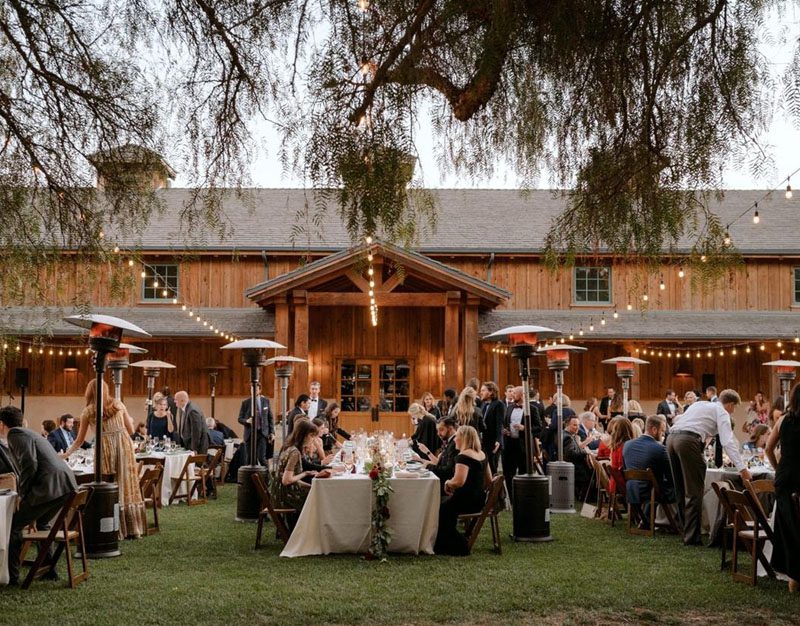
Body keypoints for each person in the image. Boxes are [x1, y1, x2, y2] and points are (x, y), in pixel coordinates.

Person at [1, 405, 78, 586]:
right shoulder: (29, 433)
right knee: (42, 522)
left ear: (2, 424)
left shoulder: (15, 435)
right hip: (65, 486)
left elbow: (29, 463)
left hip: (49, 488)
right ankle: (48, 568)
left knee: (13, 525)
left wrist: (22, 494)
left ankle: (12, 577)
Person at [63, 380, 146, 539]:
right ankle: (131, 528)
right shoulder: (118, 404)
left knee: (106, 484)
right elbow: (130, 429)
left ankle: (109, 525)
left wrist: (66, 455)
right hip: (124, 446)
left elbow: (79, 440)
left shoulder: (88, 411)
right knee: (126, 483)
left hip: (104, 449)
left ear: (89, 392)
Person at [667, 388, 751, 546]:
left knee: (680, 488)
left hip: (671, 439)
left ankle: (684, 531)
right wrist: (742, 469)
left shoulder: (699, 405)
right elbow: (728, 442)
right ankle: (691, 537)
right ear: (731, 405)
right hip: (687, 441)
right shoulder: (722, 412)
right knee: (694, 491)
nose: (733, 412)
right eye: (734, 408)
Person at [434, 425, 490, 556]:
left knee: (441, 510)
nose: (455, 440)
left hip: (466, 500)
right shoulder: (481, 454)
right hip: (479, 500)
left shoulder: (463, 457)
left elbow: (459, 481)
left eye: (457, 436)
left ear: (463, 438)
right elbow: (489, 480)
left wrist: (448, 482)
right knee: (445, 509)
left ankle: (458, 546)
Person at [765, 383, 800, 593]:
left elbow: (768, 448)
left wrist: (778, 468)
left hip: (786, 477)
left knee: (790, 528)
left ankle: (793, 579)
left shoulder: (783, 420)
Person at [270, 419, 326, 526]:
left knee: (316, 493)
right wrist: (305, 474)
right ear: (304, 435)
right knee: (318, 500)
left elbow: (291, 479)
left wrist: (310, 486)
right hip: (285, 496)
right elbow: (286, 480)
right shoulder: (295, 453)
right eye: (312, 436)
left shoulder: (289, 447)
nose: (313, 439)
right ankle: (307, 531)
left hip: (281, 492)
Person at [623, 415, 675, 526]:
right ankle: (677, 522)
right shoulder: (660, 449)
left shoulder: (627, 445)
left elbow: (625, 468)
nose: (663, 435)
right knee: (678, 488)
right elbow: (670, 476)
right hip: (651, 492)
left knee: (656, 484)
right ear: (654, 430)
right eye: (662, 431)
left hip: (631, 488)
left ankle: (645, 520)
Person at [501, 386, 541, 502]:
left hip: (524, 447)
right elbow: (504, 423)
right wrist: (505, 430)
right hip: (509, 445)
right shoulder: (509, 408)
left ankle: (523, 498)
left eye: (514, 393)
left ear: (523, 395)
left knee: (524, 472)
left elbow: (538, 428)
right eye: (511, 392)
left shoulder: (532, 409)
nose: (512, 395)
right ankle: (512, 499)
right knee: (508, 473)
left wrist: (525, 428)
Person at [414, 416, 458, 490]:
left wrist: (429, 466)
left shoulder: (455, 443)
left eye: (441, 430)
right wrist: (424, 456)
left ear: (450, 429)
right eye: (437, 430)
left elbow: (448, 471)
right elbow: (440, 463)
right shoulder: (450, 441)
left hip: (446, 486)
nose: (438, 433)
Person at [237, 383, 274, 465]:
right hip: (250, 434)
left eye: (256, 389)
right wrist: (247, 421)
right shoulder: (245, 403)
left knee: (262, 458)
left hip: (262, 433)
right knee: (249, 460)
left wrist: (272, 432)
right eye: (252, 389)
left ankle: (267, 477)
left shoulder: (266, 401)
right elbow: (239, 418)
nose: (253, 391)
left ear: (259, 390)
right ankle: (251, 477)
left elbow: (270, 418)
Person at [562, 415, 593, 499]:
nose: (577, 427)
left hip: (574, 466)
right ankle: (585, 498)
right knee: (593, 472)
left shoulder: (567, 435)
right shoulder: (567, 437)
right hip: (575, 469)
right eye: (575, 425)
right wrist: (585, 452)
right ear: (567, 425)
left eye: (578, 425)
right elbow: (571, 454)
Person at [478, 382, 504, 474]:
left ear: (491, 392)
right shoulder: (483, 404)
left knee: (492, 468)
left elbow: (499, 423)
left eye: (483, 390)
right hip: (483, 441)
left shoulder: (498, 404)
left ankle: (494, 487)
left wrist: (498, 440)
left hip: (493, 441)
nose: (480, 392)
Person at [607, 417, 634, 496]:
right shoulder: (626, 446)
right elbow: (622, 466)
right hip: (621, 484)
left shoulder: (615, 445)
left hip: (615, 482)